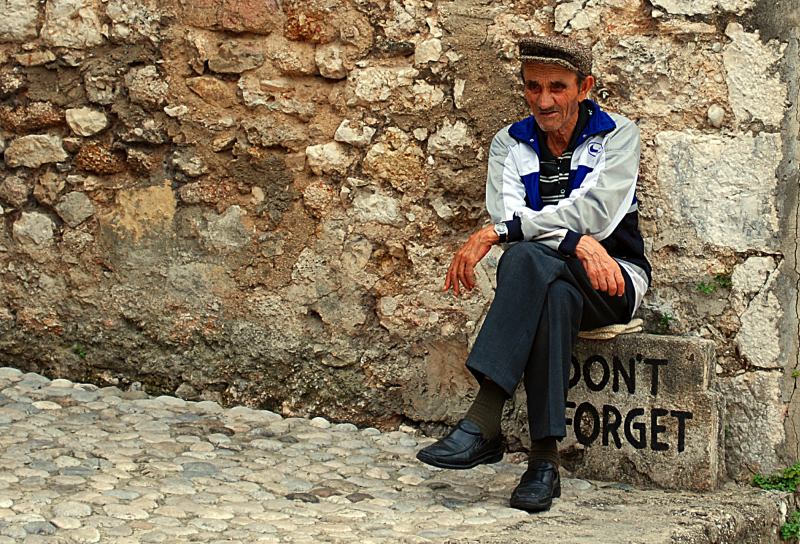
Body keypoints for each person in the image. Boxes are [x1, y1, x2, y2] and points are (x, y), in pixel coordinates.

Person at [416, 35, 651, 513]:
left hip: (613, 278)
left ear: (584, 87)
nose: (544, 100)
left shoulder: (618, 135)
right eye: (533, 87)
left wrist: (520, 234)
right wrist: (570, 241)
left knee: (522, 258)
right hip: (557, 283)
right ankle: (543, 466)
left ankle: (484, 420)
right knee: (547, 288)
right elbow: (512, 219)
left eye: (558, 88)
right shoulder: (509, 143)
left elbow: (598, 216)